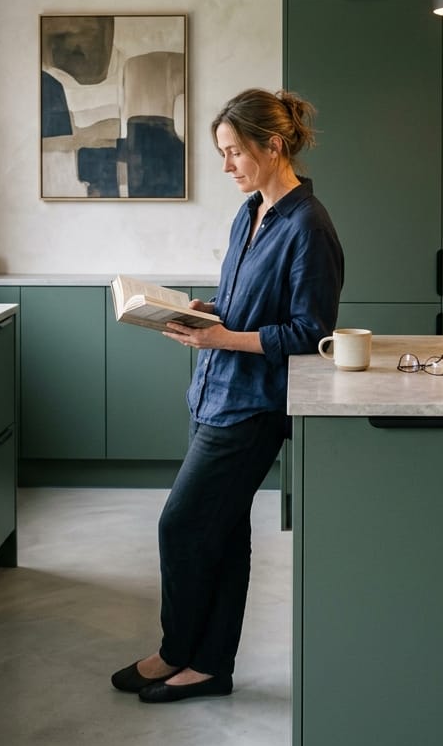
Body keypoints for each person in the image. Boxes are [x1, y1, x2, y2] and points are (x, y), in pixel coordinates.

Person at [111, 87, 344, 703]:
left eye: (234, 152)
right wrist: (204, 312)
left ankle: (178, 650)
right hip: (214, 394)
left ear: (273, 145)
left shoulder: (309, 226)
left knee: (181, 525)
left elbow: (310, 331)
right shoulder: (251, 213)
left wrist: (223, 335)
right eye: (222, 153)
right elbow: (249, 307)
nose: (226, 166)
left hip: (253, 407)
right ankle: (206, 663)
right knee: (221, 533)